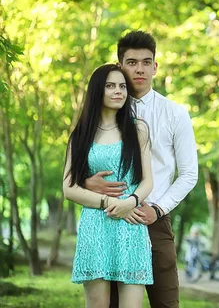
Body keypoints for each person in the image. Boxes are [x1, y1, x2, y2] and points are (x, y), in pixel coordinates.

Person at [85, 30, 199, 308]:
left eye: (146, 62)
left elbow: (189, 174)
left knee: (166, 302)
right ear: (119, 66)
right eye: (132, 62)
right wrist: (87, 183)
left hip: (154, 220)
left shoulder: (174, 113)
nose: (140, 69)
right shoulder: (97, 116)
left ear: (155, 67)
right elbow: (81, 164)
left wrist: (158, 209)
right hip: (109, 220)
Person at [63, 64, 154, 308]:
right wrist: (110, 202)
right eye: (110, 86)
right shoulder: (81, 134)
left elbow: (147, 181)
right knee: (96, 304)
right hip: (95, 227)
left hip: (131, 225)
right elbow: (69, 188)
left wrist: (130, 202)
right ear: (97, 91)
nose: (118, 92)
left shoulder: (138, 129)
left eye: (122, 86)